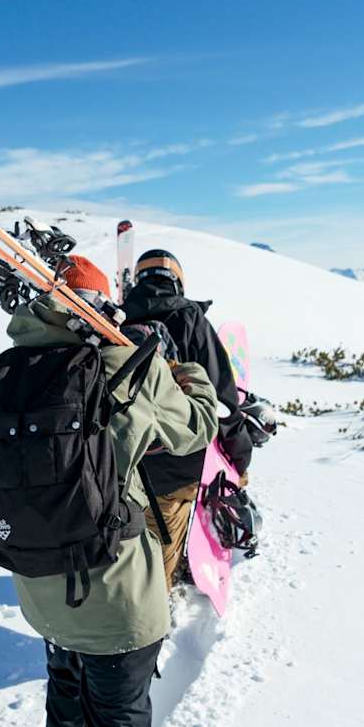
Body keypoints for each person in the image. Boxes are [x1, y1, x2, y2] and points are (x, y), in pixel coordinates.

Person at [0, 255, 219, 727]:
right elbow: (199, 427)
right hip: (121, 602)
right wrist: (184, 370)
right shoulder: (126, 365)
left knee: (66, 704)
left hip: (42, 597)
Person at [121, 248, 255, 590]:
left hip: (123, 462)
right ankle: (152, 616)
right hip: (178, 464)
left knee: (130, 540)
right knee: (155, 568)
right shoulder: (190, 318)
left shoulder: (115, 318)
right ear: (177, 281)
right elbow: (221, 401)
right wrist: (239, 457)